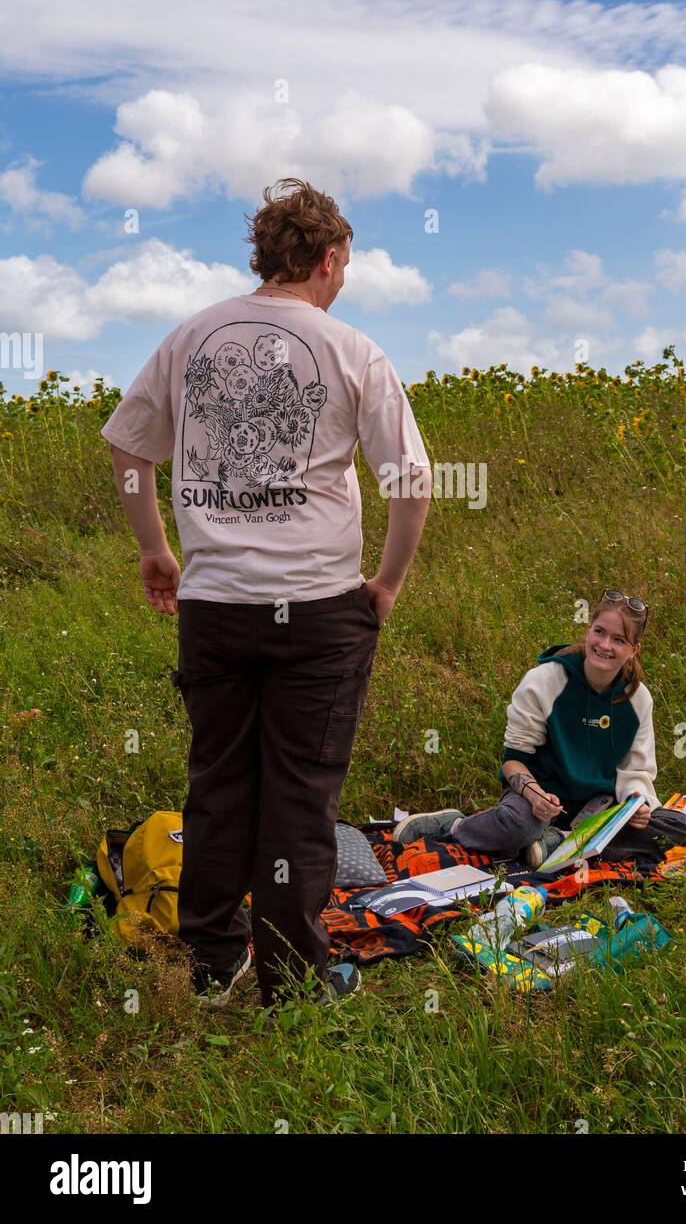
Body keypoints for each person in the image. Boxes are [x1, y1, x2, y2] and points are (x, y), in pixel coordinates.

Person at [101, 177, 431, 1009]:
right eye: (345, 263)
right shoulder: (355, 350)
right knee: (299, 796)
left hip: (212, 606)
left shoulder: (190, 336)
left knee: (217, 783)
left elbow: (129, 450)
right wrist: (385, 585)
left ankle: (213, 965)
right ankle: (294, 980)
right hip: (320, 608)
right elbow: (412, 481)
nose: (344, 276)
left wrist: (158, 551)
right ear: (327, 259)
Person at [395, 589, 686, 871]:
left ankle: (559, 842)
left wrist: (637, 805)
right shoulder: (545, 681)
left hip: (598, 806)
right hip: (541, 799)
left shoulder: (637, 698)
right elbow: (513, 761)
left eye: (618, 640)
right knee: (519, 826)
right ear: (588, 631)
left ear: (633, 650)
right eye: (599, 632)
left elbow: (636, 772)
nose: (604, 645)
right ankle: (457, 827)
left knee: (679, 826)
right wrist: (536, 796)